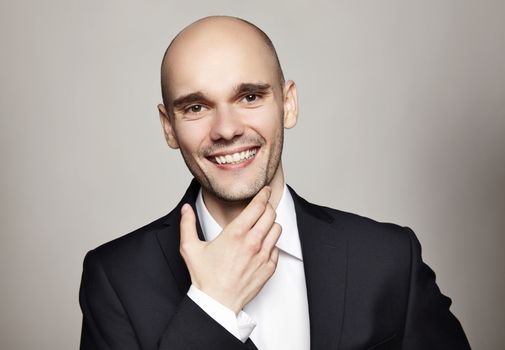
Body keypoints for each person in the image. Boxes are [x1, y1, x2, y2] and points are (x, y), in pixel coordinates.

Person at [79, 16, 471, 350]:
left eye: (250, 97)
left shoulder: (388, 258)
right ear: (169, 127)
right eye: (196, 107)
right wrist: (213, 306)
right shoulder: (115, 278)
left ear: (288, 104)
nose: (227, 130)